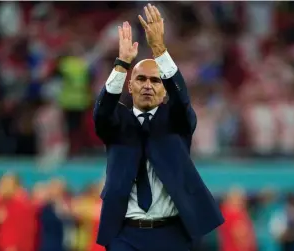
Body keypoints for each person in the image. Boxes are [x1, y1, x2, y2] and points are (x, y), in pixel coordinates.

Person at [93, 4, 224, 251]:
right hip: (125, 234)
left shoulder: (177, 122)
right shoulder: (117, 123)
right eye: (140, 79)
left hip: (172, 235)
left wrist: (159, 50)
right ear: (129, 87)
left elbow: (182, 99)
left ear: (164, 92)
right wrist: (121, 64)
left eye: (155, 80)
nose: (147, 85)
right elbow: (101, 112)